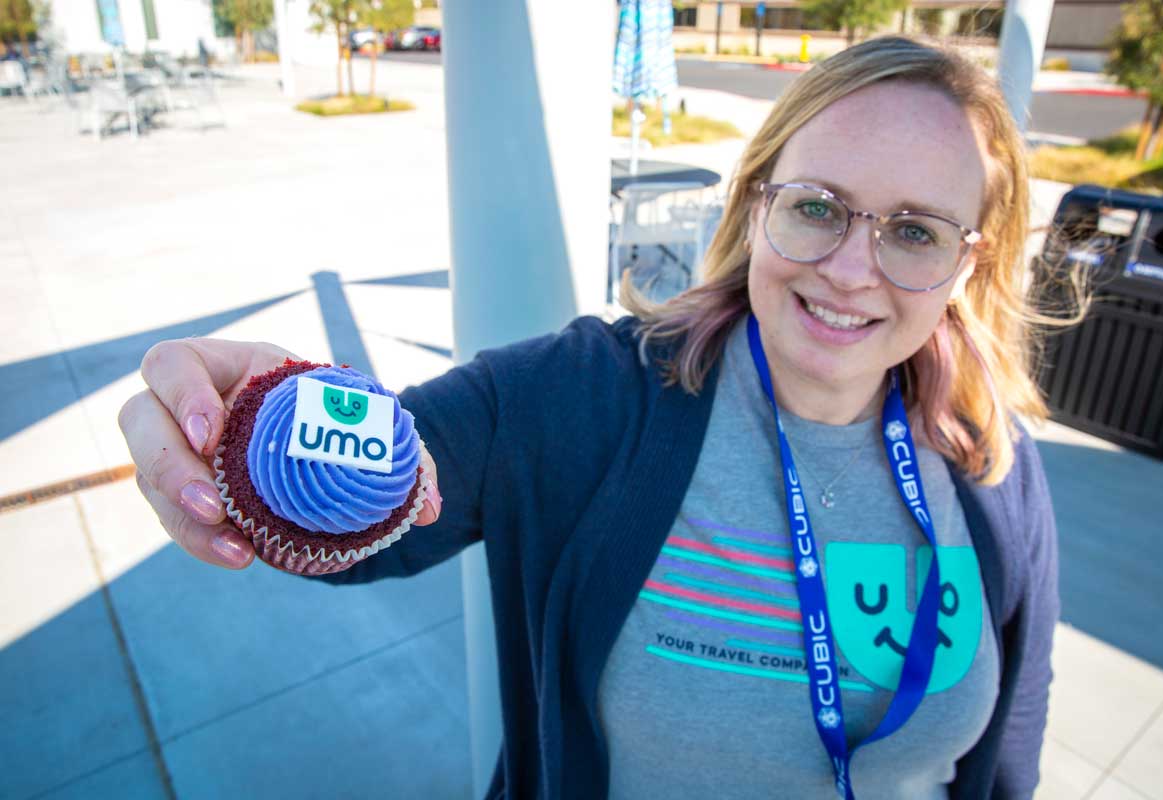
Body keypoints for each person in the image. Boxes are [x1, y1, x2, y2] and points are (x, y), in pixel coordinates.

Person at [119, 36, 1072, 799]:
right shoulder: (583, 395)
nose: (854, 269)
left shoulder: (992, 466)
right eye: (819, 208)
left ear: (969, 266)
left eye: (914, 231)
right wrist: (243, 435)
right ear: (755, 204)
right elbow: (377, 514)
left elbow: (1013, 731)